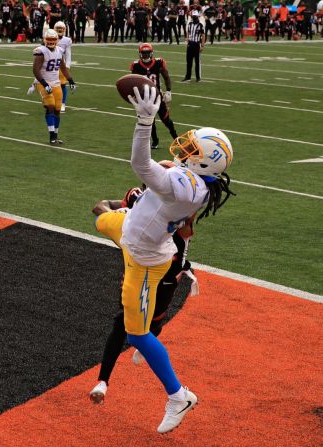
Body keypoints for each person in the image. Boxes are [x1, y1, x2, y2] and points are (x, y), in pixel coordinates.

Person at [89, 84, 235, 433]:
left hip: (145, 259)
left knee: (135, 334)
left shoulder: (187, 186)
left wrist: (144, 122)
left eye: (194, 148)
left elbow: (141, 164)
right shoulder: (194, 181)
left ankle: (178, 395)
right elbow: (168, 171)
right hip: (129, 230)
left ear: (204, 161)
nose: (186, 147)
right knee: (100, 217)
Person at [90, 165, 198, 405]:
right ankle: (103, 381)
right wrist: (125, 210)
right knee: (123, 326)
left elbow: (100, 210)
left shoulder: (176, 210)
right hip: (144, 271)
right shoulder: (140, 202)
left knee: (153, 326)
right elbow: (101, 207)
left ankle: (145, 348)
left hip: (166, 280)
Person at [32, 29, 75, 145]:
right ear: (45, 40)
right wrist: (44, 84)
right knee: (50, 106)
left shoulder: (60, 50)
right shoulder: (41, 51)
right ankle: (51, 137)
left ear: (56, 40)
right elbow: (35, 70)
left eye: (53, 39)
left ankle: (55, 136)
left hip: (56, 84)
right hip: (44, 83)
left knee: (57, 110)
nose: (51, 42)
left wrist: (70, 79)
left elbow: (63, 67)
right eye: (49, 39)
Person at [131, 43, 177, 150]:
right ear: (140, 54)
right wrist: (134, 94)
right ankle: (155, 140)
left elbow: (166, 77)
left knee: (166, 119)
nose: (146, 55)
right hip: (144, 98)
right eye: (144, 53)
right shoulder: (136, 66)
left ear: (151, 53)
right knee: (150, 121)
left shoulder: (158, 63)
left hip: (157, 97)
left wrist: (168, 91)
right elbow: (133, 81)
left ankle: (176, 138)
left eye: (147, 53)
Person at [52, 21, 72, 113]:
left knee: (62, 84)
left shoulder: (66, 40)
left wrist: (67, 66)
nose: (60, 30)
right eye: (58, 28)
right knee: (51, 84)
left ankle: (62, 103)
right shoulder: (50, 37)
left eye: (61, 29)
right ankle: (53, 102)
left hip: (60, 64)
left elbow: (68, 54)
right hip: (50, 64)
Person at [182, 10, 204, 82]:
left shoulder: (200, 25)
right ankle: (188, 76)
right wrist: (187, 41)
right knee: (189, 61)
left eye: (195, 16)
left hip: (197, 44)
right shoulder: (190, 24)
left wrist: (202, 45)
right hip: (190, 44)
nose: (194, 17)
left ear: (198, 17)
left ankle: (198, 77)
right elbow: (188, 32)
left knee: (197, 62)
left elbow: (203, 35)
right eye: (193, 16)